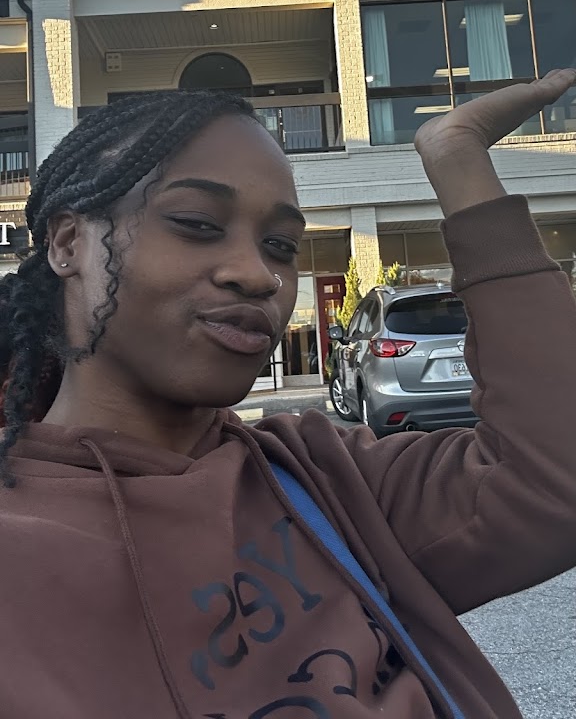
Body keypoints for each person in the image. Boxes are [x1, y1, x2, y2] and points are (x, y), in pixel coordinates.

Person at [0, 74, 575, 719]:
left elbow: (554, 473)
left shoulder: (327, 480)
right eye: (196, 224)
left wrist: (460, 163)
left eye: (280, 246)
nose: (259, 275)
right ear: (68, 243)